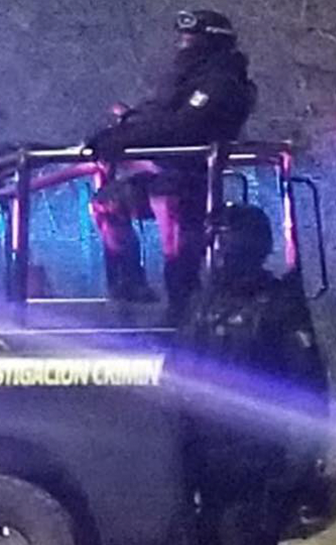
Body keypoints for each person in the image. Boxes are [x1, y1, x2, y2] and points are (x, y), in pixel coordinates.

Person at [165, 205, 328, 545]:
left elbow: (308, 392)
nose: (216, 250)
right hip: (201, 457)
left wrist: (297, 469)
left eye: (226, 240)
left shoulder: (277, 306)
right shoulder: (202, 303)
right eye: (214, 240)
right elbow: (179, 373)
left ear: (249, 246)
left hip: (257, 461)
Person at [87, 9, 257, 318]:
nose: (184, 44)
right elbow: (155, 115)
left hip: (193, 176)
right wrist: (118, 131)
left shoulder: (223, 81)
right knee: (106, 204)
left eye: (192, 38)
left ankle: (182, 307)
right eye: (183, 37)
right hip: (163, 170)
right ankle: (129, 285)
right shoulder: (181, 79)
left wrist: (125, 139)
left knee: (172, 220)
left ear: (211, 42)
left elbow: (184, 127)